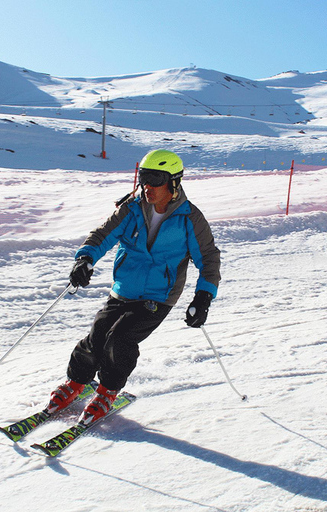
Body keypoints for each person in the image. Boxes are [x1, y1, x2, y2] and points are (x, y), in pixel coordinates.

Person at [46, 149, 221, 426]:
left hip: (159, 296)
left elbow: (209, 258)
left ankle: (107, 391)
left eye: (155, 179)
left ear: (173, 182)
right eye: (144, 178)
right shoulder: (132, 208)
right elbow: (103, 235)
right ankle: (76, 382)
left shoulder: (190, 219)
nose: (147, 186)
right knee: (98, 335)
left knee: (120, 340)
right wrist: (85, 259)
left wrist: (203, 296)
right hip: (124, 289)